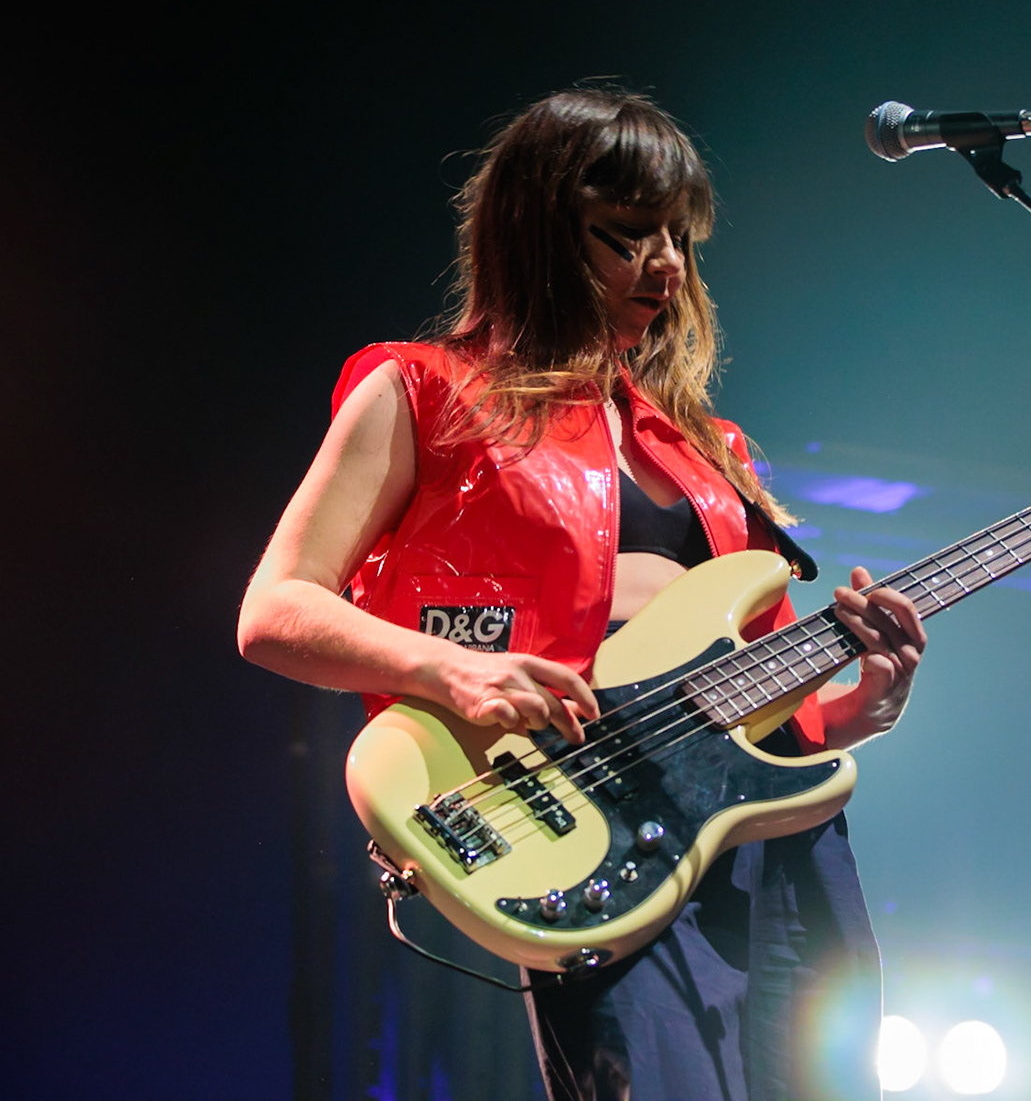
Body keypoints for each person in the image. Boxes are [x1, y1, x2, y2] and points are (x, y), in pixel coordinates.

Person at [237, 86, 928, 1101]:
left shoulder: (713, 451)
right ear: (539, 232)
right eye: (628, 234)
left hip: (770, 841)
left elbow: (770, 704)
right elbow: (276, 610)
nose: (667, 265)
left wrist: (861, 704)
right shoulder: (422, 390)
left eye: (679, 237)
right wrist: (454, 671)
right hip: (590, 816)